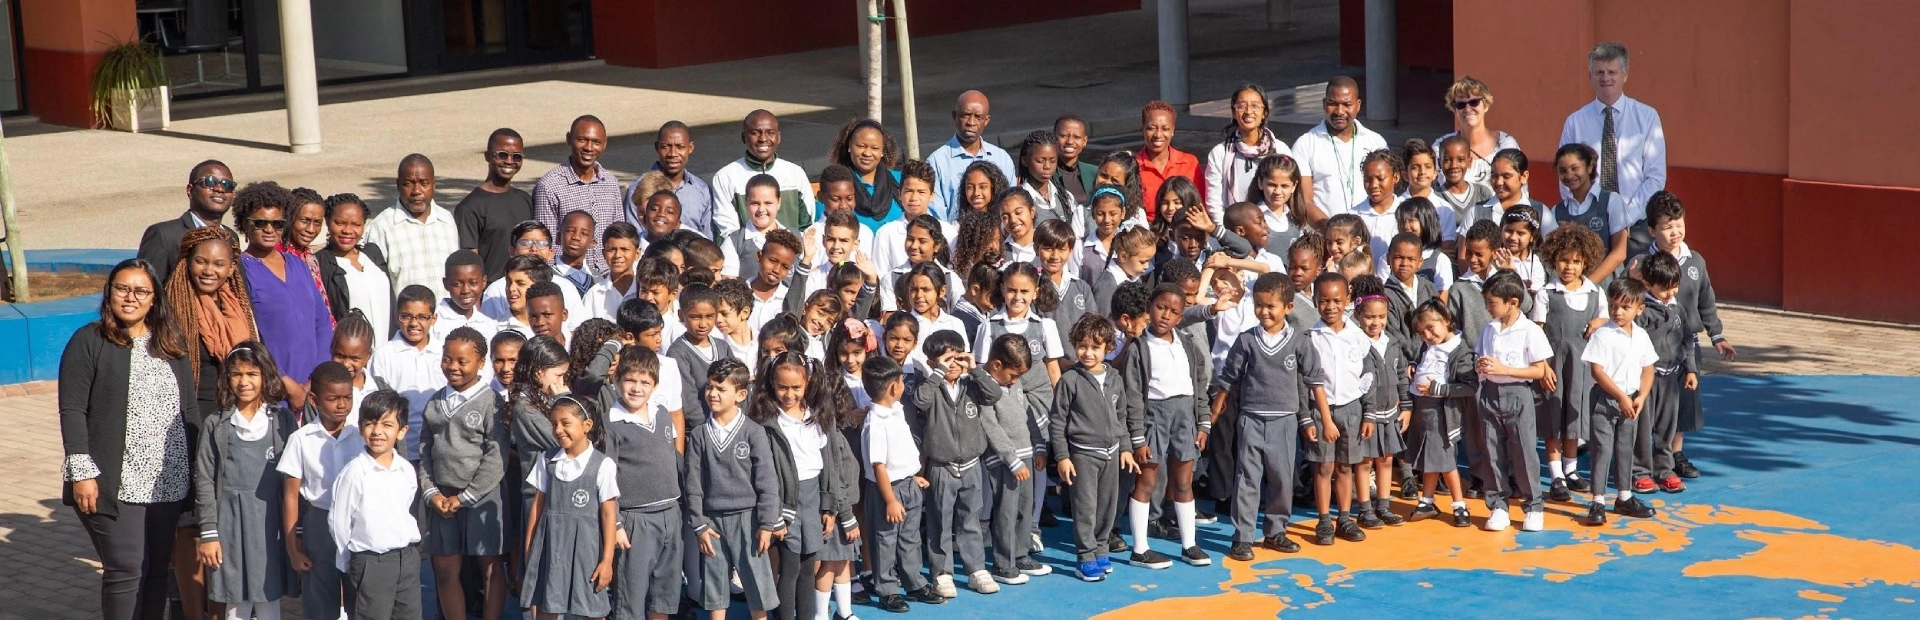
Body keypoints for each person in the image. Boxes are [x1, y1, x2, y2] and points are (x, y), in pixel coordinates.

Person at [60, 259, 196, 620]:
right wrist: (82, 473)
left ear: (155, 299)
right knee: (125, 569)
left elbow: (189, 410)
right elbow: (72, 410)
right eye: (122, 288)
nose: (130, 297)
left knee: (156, 569)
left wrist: (196, 476)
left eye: (141, 291)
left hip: (167, 481)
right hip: (114, 481)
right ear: (109, 293)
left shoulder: (171, 343)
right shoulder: (89, 341)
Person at [1214, 273, 1324, 560]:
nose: (1264, 312)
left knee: (1282, 478)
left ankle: (1276, 531)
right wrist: (1217, 408)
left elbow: (1313, 382)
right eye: (1259, 305)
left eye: (1270, 306)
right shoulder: (1247, 340)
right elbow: (1229, 377)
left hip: (1285, 421)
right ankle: (1243, 537)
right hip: (1251, 418)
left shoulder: (1300, 342)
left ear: (1288, 307)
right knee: (1247, 478)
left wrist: (1315, 419)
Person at [193, 342, 297, 620]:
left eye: (252, 374)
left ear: (265, 376)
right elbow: (204, 479)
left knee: (268, 594)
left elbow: (296, 478)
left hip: (270, 523)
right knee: (235, 598)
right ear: (227, 378)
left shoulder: (281, 421)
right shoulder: (216, 424)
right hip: (230, 523)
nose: (244, 382)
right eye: (237, 374)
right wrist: (209, 533)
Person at [1118, 284, 1213, 568]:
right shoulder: (1139, 348)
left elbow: (1199, 384)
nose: (1165, 316)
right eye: (1161, 308)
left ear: (1181, 316)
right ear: (1149, 306)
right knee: (1147, 481)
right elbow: (1133, 395)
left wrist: (1203, 422)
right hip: (1153, 417)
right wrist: (1137, 437)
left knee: (1184, 481)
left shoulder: (1187, 343)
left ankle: (1189, 544)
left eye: (1173, 312)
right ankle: (1140, 549)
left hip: (1185, 415)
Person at [418, 327, 509, 620]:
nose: (452, 367)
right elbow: (425, 451)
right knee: (445, 571)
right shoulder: (434, 401)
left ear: (481, 362)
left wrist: (466, 497)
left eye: (462, 361)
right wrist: (432, 492)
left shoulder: (492, 402)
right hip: (443, 501)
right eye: (447, 359)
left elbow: (497, 455)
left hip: (482, 497)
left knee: (491, 568)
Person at [686, 358, 784, 620]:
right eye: (710, 387)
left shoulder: (753, 432)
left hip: (748, 521)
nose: (713, 394)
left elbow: (767, 481)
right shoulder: (698, 435)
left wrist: (766, 524)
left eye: (721, 388)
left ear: (741, 394)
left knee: (757, 585)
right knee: (715, 585)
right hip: (712, 523)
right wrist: (699, 524)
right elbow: (693, 485)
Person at [913, 331, 1000, 597]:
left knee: (970, 519)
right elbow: (920, 400)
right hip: (942, 466)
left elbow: (994, 394)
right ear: (931, 363)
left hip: (972, 464)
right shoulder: (931, 387)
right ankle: (942, 572)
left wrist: (975, 370)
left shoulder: (971, 384)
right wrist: (938, 372)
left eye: (957, 357)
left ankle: (975, 569)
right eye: (945, 359)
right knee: (940, 521)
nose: (953, 364)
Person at [277, 361, 365, 620]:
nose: (342, 405)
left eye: (347, 398)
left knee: (360, 597)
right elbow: (291, 495)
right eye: (333, 398)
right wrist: (293, 549)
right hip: (319, 525)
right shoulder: (301, 440)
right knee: (319, 600)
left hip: (356, 524)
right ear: (314, 400)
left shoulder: (361, 435)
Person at [1047, 314, 1131, 580]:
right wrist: (1062, 456)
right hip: (1083, 454)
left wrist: (1126, 447)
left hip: (1112, 453)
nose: (1087, 352)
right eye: (1082, 346)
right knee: (1085, 507)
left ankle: (1101, 549)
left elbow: (1122, 417)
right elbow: (1057, 420)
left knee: (1107, 506)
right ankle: (1085, 557)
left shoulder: (1115, 378)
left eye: (1095, 347)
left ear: (1108, 347)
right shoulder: (1070, 380)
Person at [519, 395, 618, 620]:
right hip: (551, 547)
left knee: (593, 609)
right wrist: (529, 550)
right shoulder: (546, 460)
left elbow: (608, 513)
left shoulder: (603, 464)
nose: (558, 429)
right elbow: (537, 507)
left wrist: (607, 561)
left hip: (588, 550)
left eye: (565, 423)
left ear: (587, 426)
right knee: (547, 605)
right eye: (554, 424)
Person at [327, 390, 423, 620]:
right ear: (360, 428)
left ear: (402, 431)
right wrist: (352, 562)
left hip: (407, 559)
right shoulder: (355, 472)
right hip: (370, 562)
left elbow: (406, 506)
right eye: (370, 424)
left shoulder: (406, 470)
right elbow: (339, 522)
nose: (378, 432)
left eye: (387, 425)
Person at [1472, 270, 1553, 533]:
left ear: (1513, 302)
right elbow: (1482, 360)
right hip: (1489, 395)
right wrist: (1482, 366)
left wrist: (1503, 369)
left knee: (1524, 452)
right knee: (1492, 452)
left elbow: (1539, 370)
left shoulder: (1529, 330)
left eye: (1492, 302)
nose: (1487, 307)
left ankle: (1534, 507)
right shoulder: (1488, 329)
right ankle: (1497, 506)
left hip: (1518, 395)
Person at [235, 181, 334, 393]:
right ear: (245, 223)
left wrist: (316, 379)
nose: (270, 229)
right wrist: (285, 383)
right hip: (272, 387)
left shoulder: (297, 263)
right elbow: (248, 336)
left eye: (278, 224)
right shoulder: (239, 270)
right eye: (260, 223)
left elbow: (322, 322)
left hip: (313, 386)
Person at [1533, 224, 1609, 502]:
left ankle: (1571, 469)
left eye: (1576, 261)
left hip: (1582, 367)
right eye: (1564, 260)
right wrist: (1542, 366)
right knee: (1554, 417)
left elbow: (1605, 322)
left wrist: (1601, 320)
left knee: (1575, 417)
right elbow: (1536, 331)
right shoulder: (1546, 293)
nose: (1569, 266)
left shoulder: (1595, 293)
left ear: (1585, 262)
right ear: (1554, 260)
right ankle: (1555, 475)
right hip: (1554, 365)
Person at [1580, 278, 1660, 525]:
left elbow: (1648, 368)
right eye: (1614, 306)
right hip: (1606, 400)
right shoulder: (1602, 335)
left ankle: (1624, 496)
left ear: (1639, 309)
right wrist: (1621, 397)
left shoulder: (1642, 335)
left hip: (1632, 401)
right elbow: (1597, 371)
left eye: (1626, 307)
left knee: (1626, 447)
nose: (1618, 312)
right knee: (1602, 448)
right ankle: (1598, 500)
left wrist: (1641, 396)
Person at [1560, 42, 1666, 220]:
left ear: (1625, 75)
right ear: (1590, 76)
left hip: (1636, 223)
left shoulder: (1647, 117)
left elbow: (1655, 177)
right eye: (1599, 72)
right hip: (1588, 221)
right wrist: (1586, 213)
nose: (1605, 78)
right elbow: (1564, 175)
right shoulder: (1575, 122)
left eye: (1612, 72)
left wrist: (1626, 218)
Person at [1303, 274, 1367, 545]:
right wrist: (1310, 418)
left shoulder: (1359, 336)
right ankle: (1324, 520)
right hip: (1321, 409)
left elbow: (1368, 375)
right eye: (1324, 301)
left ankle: (1344, 517)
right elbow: (1306, 380)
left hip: (1351, 409)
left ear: (1348, 300)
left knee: (1345, 467)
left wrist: (1368, 413)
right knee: (1323, 467)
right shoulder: (1310, 337)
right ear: (1315, 301)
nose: (1330, 306)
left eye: (1337, 301)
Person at [977, 334, 1044, 588]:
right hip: (1004, 461)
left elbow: (1028, 415)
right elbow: (991, 427)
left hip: (1026, 454)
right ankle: (1003, 564)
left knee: (1024, 508)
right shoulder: (985, 391)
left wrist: (1038, 446)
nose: (1016, 381)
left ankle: (1020, 553)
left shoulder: (1015, 384)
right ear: (996, 366)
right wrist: (1011, 459)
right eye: (1013, 375)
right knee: (1005, 510)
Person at [1628, 251, 1694, 496]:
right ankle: (1640, 472)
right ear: (1648, 285)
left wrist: (1691, 370)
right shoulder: (1641, 313)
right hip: (1647, 379)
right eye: (1664, 289)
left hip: (1671, 378)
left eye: (1674, 287)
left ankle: (1665, 470)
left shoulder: (1679, 311)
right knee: (1643, 426)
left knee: (1667, 427)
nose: (1670, 293)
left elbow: (1688, 340)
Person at [533, 115, 624, 272]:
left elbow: (620, 234)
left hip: (608, 276)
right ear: (569, 138)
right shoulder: (549, 186)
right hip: (566, 276)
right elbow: (544, 244)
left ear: (604, 144)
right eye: (582, 140)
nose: (589, 147)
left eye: (596, 142)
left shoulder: (610, 182)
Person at [1352, 284, 1410, 528]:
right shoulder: (1355, 343)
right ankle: (1365, 509)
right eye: (1369, 316)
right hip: (1367, 415)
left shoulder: (1393, 343)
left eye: (1381, 317)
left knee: (1386, 460)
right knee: (1365, 461)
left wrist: (1406, 405)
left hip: (1390, 413)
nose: (1375, 322)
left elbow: (1402, 376)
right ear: (1358, 316)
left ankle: (1384, 506)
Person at [1291, 77, 1387, 224]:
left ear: (1358, 105)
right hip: (1325, 238)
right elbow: (1304, 201)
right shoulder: (1305, 144)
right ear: (1324, 104)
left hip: (1370, 236)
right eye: (1332, 104)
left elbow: (1385, 193)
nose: (1339, 111)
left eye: (1347, 104)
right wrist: (1333, 232)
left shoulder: (1375, 142)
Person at [366, 154, 461, 299]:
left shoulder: (447, 220)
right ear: (398, 185)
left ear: (433, 185)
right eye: (408, 183)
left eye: (424, 183)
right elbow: (374, 286)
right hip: (405, 320)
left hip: (446, 320)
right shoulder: (382, 227)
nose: (416, 191)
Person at [370, 285, 447, 460]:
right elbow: (381, 403)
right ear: (397, 317)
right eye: (406, 316)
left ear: (433, 318)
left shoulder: (444, 352)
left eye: (422, 317)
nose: (414, 323)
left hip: (438, 450)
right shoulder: (384, 354)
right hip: (400, 450)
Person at [711, 110, 817, 237]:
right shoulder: (725, 177)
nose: (763, 139)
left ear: (778, 137)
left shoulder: (795, 174)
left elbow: (807, 226)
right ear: (744, 137)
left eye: (770, 133)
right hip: (747, 255)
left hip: (792, 254)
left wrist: (792, 251)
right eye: (755, 133)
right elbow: (727, 231)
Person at [1205, 84, 1298, 225]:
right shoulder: (1220, 153)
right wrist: (1228, 235)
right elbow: (1214, 204)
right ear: (1233, 112)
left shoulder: (1280, 149)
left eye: (1255, 106)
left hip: (1274, 227)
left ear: (1265, 112)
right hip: (1233, 231)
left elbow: (1290, 194)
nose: (1248, 111)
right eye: (1241, 106)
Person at [140, 159, 240, 284]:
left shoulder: (231, 237)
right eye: (209, 182)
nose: (219, 189)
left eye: (227, 185)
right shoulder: (164, 235)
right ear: (190, 190)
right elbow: (146, 288)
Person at [457, 128, 535, 281]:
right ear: (487, 156)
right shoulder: (470, 207)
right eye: (502, 154)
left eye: (517, 157)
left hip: (525, 288)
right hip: (491, 293)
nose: (509, 161)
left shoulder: (525, 200)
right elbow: (471, 261)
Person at [928, 91, 1017, 220]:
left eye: (978, 117)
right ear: (955, 116)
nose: (971, 122)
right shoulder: (937, 162)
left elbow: (1011, 203)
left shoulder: (1002, 158)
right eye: (965, 115)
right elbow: (936, 216)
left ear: (986, 120)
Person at [1549, 143, 1630, 281]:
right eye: (1562, 171)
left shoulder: (1611, 200)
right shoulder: (1556, 211)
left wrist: (1588, 284)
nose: (1569, 175)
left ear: (1590, 167)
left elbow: (1619, 252)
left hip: (1608, 285)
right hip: (1571, 287)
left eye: (1575, 168)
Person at [315, 194, 393, 338]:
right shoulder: (319, 263)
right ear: (328, 221)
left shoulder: (373, 254)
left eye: (356, 224)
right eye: (340, 223)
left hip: (384, 352)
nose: (348, 230)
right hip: (349, 355)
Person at [629, 121, 717, 238]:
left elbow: (708, 239)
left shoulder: (701, 190)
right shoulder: (638, 188)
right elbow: (634, 238)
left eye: (680, 147)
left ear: (690, 148)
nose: (672, 154)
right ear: (657, 147)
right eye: (666, 147)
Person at [1433, 76, 1520, 189]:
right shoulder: (1441, 146)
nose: (1468, 109)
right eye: (1461, 105)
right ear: (1455, 110)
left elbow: (1518, 190)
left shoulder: (1505, 144)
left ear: (1486, 105)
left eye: (1474, 102)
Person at [828, 118, 905, 233]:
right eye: (861, 146)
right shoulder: (835, 186)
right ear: (849, 146)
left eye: (874, 148)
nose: (867, 153)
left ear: (882, 151)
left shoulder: (900, 181)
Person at [1134, 101, 1200, 224]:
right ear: (1142, 129)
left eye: (1165, 129)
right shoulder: (1132, 166)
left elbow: (1200, 206)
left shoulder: (1190, 162)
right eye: (1151, 128)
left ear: (1173, 131)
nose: (1158, 134)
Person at [1053, 115, 1099, 204]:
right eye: (1063, 136)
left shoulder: (1095, 172)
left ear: (1084, 141)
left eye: (1076, 137)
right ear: (1054, 137)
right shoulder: (1045, 173)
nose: (1070, 141)